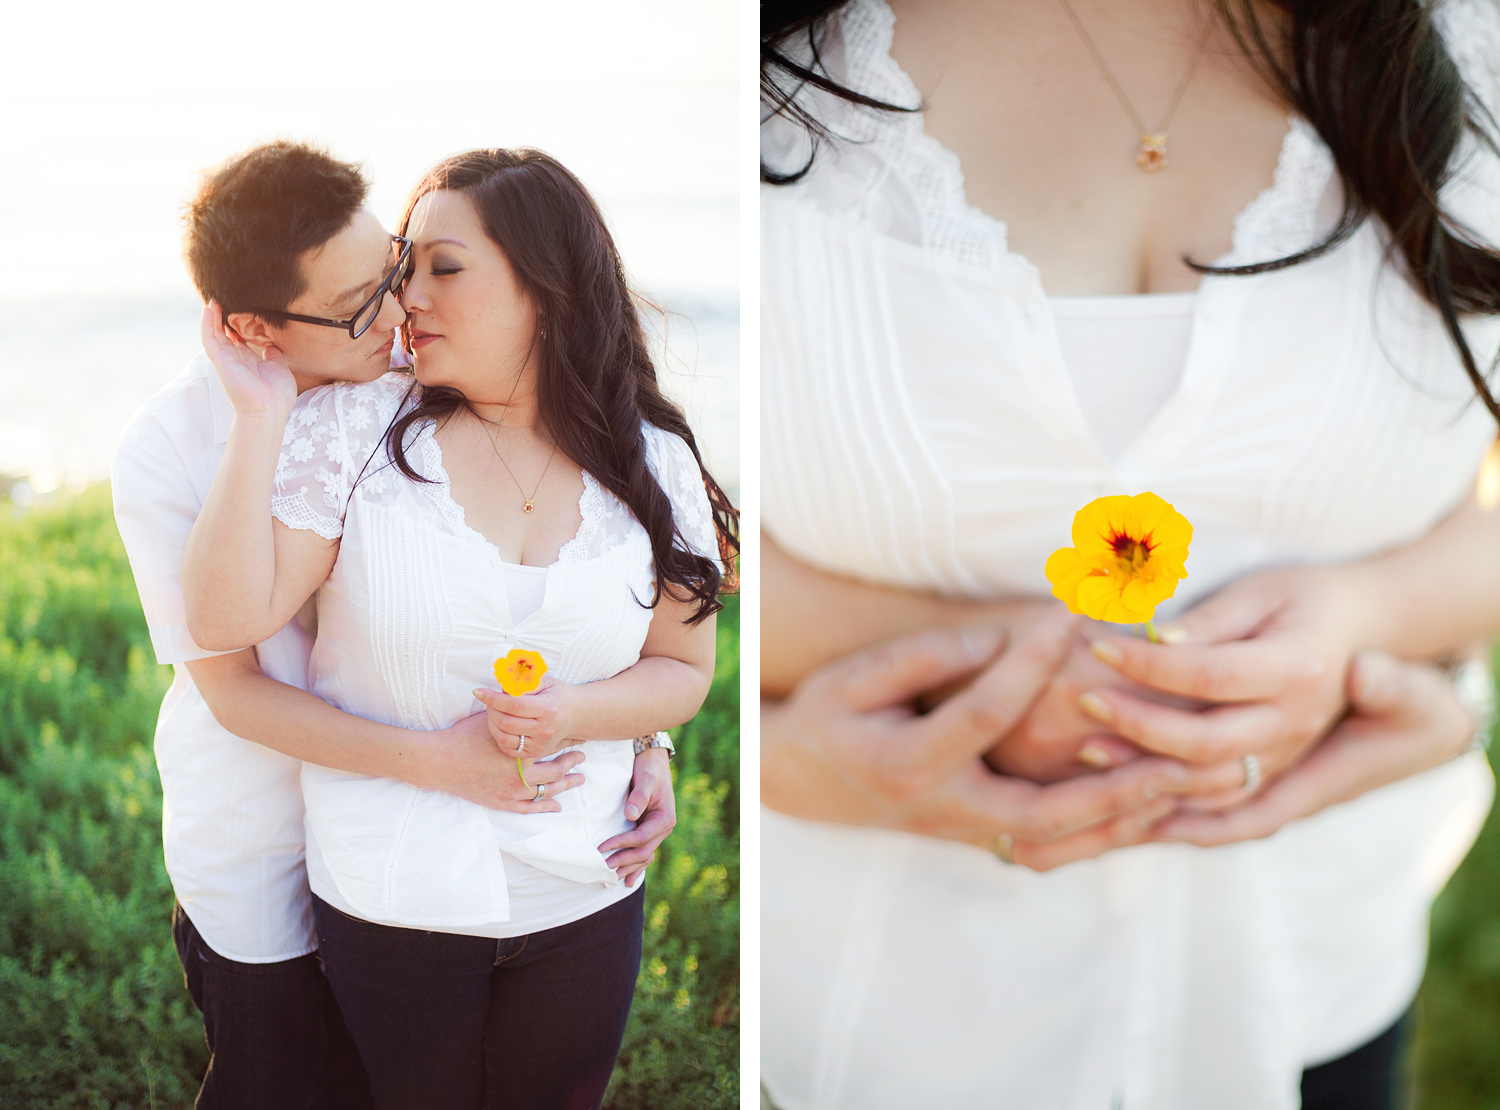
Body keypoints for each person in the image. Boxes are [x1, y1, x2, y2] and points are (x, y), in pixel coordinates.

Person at [759, 0, 1500, 1106]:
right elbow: (657, 541)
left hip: (1314, 972)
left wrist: (1383, 621)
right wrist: (787, 751)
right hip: (880, 1002)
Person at [111, 141, 680, 1110]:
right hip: (265, 836)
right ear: (254, 328)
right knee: (280, 1084)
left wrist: (634, 729)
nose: (402, 310)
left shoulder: (411, 382)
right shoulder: (166, 451)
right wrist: (262, 421)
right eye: (363, 305)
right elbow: (236, 684)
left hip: (421, 837)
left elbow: (545, 583)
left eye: (396, 271)